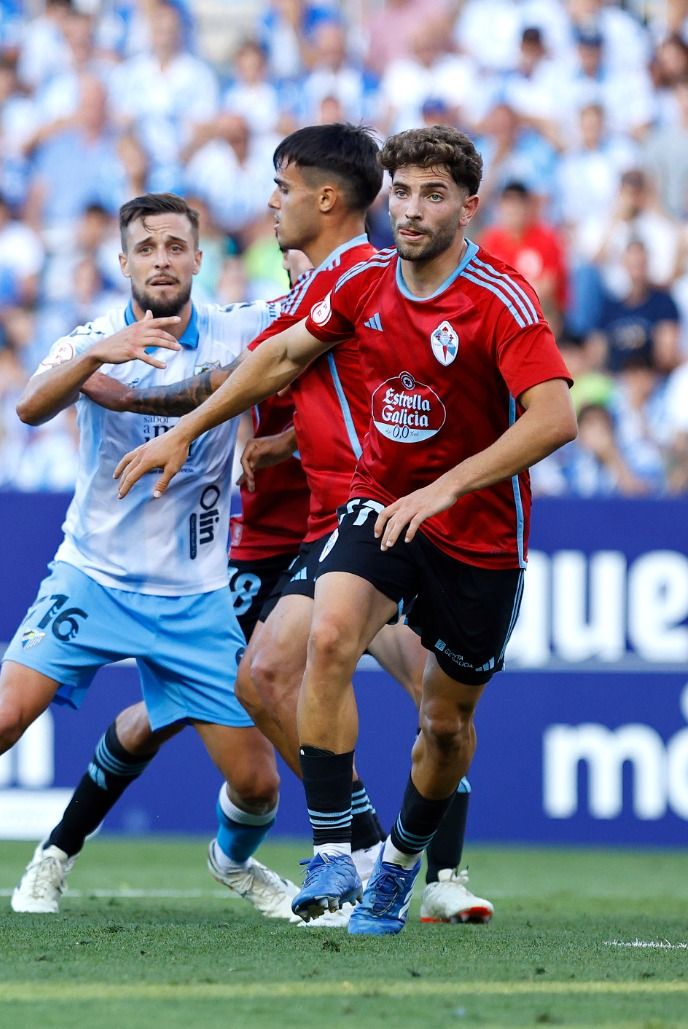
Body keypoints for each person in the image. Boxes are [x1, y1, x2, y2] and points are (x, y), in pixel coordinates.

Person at [15, 124, 498, 928]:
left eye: (281, 189)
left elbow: (255, 374)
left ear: (324, 200)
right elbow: (283, 380)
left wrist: (143, 405)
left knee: (424, 699)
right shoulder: (315, 290)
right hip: (283, 535)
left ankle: (413, 865)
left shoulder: (357, 283)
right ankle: (71, 846)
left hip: (361, 523)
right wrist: (270, 442)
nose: (269, 205)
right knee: (201, 697)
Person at [115, 125, 574, 936]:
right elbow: (281, 356)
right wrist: (187, 431)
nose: (412, 208)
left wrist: (448, 487)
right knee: (324, 639)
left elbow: (555, 418)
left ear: (467, 208)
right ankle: (335, 847)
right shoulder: (363, 278)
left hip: (476, 535)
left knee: (444, 723)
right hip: (377, 505)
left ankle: (403, 865)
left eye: (434, 194)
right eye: (401, 190)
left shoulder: (499, 298)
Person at [0, 193, 296, 920]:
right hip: (93, 577)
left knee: (259, 784)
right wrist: (90, 359)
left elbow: (322, 325)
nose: (163, 260)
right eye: (147, 249)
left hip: (194, 597)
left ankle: (234, 862)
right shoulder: (90, 336)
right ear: (123, 262)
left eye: (176, 246)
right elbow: (28, 406)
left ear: (200, 259)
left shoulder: (241, 330)